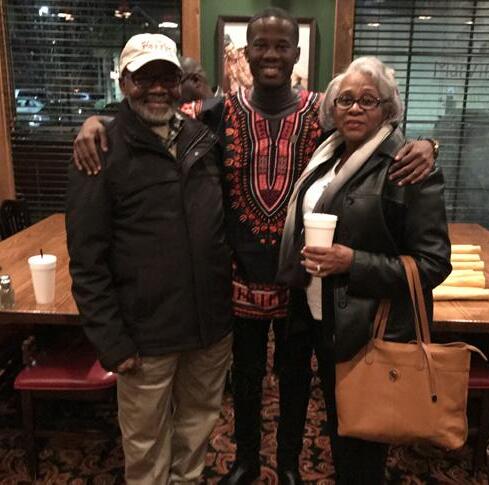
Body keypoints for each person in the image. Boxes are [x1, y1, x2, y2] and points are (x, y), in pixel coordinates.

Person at [72, 9, 437, 485]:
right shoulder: (218, 111)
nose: (270, 55)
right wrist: (94, 121)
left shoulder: (321, 112)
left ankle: (287, 463)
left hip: (302, 280)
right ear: (245, 53)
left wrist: (428, 143)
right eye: (260, 45)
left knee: (295, 379)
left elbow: (374, 132)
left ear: (297, 54)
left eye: (281, 46)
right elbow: (148, 115)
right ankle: (245, 460)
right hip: (235, 282)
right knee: (243, 381)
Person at [66, 33, 232, 485]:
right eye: (144, 78)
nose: (157, 88)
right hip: (144, 336)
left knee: (196, 432)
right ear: (124, 82)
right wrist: (112, 341)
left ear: (181, 82)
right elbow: (86, 260)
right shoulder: (100, 149)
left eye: (167, 77)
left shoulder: (203, 139)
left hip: (209, 327)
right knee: (145, 448)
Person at [277, 56, 452, 484]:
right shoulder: (327, 154)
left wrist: (353, 262)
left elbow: (433, 263)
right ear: (332, 108)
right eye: (346, 99)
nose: (355, 108)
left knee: (360, 444)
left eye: (368, 100)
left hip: (369, 329)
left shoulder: (409, 166)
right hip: (317, 316)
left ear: (388, 109)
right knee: (337, 427)